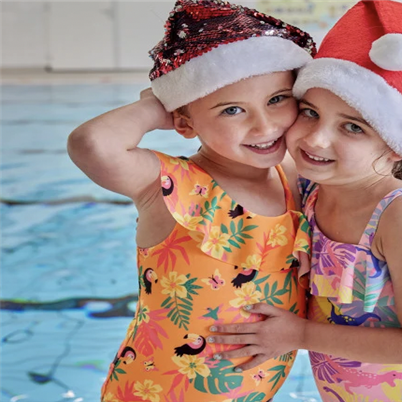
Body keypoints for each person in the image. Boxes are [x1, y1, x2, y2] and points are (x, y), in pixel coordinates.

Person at [207, 1, 402, 401]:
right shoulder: (314, 188)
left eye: (352, 127)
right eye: (310, 112)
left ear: (397, 146)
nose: (316, 139)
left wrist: (298, 334)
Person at [67, 0, 316, 400]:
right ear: (183, 122)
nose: (264, 125)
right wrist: (159, 104)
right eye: (232, 110)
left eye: (277, 99)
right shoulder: (168, 186)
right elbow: (92, 144)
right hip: (155, 391)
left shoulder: (291, 178)